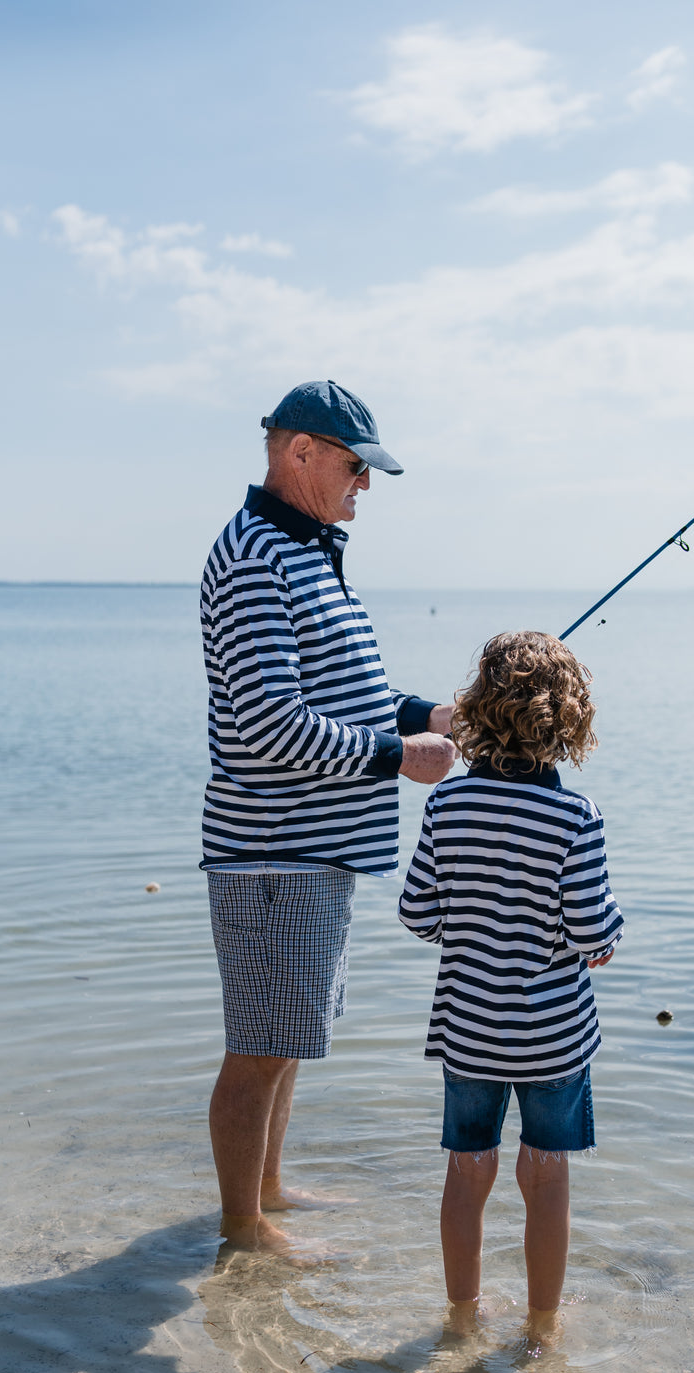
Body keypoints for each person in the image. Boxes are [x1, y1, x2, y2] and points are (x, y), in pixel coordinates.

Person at [200, 380, 456, 1253]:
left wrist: (428, 716)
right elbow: (270, 724)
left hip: (316, 849)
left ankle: (267, 1190)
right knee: (260, 1049)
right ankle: (242, 1229)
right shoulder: (254, 558)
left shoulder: (308, 550)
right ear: (297, 451)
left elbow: (353, 692)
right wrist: (396, 759)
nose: (367, 486)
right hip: (273, 850)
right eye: (357, 466)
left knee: (289, 1037)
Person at [398, 631, 623, 1345]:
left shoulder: (447, 806)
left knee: (468, 1170)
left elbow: (417, 913)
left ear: (479, 713)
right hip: (554, 1036)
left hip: (469, 1027)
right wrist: (603, 942)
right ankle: (542, 1327)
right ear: (569, 722)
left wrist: (472, 921)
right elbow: (594, 934)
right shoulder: (575, 818)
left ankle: (462, 1317)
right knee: (546, 1175)